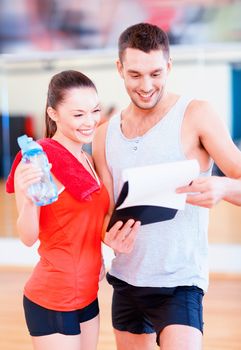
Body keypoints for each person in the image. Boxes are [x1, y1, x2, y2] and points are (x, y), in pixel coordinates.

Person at [92, 23, 241, 350]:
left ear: (169, 67)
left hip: (180, 283)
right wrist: (108, 234)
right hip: (127, 281)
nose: (146, 86)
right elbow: (105, 212)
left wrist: (223, 188)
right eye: (135, 75)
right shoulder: (103, 135)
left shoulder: (196, 114)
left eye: (156, 74)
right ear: (119, 68)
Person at [6, 70, 140, 350]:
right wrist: (30, 202)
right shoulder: (37, 162)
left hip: (88, 292)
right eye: (78, 114)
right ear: (53, 113)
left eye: (95, 111)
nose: (90, 121)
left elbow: (90, 221)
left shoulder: (88, 159)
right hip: (53, 296)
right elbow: (28, 237)